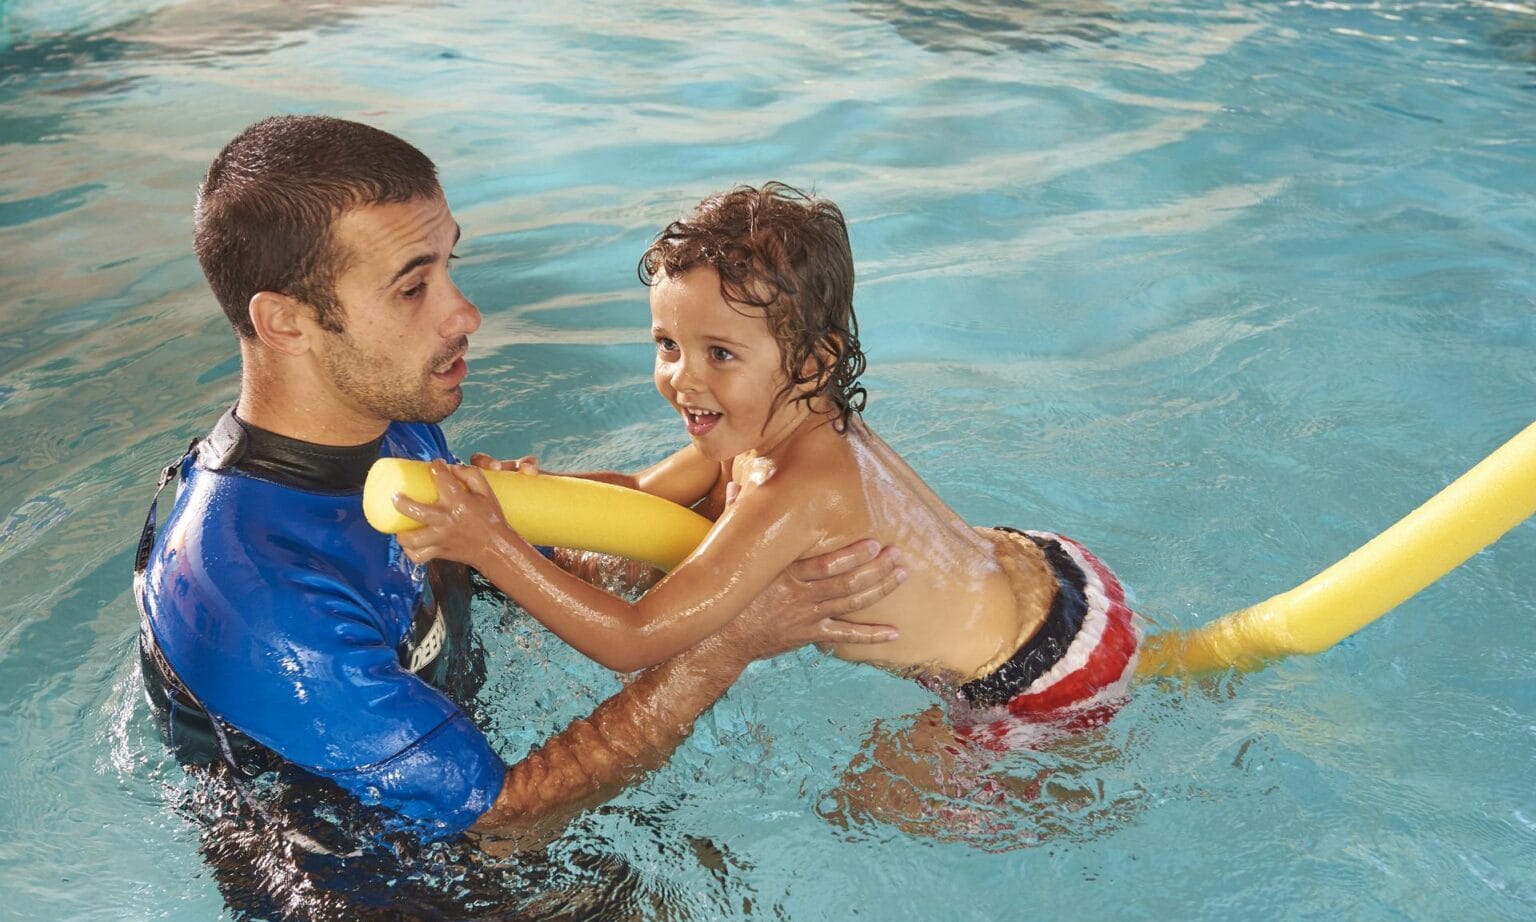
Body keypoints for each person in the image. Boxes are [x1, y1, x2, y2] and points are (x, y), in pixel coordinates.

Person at [134, 118, 906, 848]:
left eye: (449, 267)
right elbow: (503, 822)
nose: (465, 313)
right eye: (413, 288)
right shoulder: (268, 599)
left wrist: (718, 531)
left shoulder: (383, 424)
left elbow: (510, 551)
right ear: (286, 323)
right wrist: (732, 640)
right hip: (379, 884)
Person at [392, 182, 1140, 758]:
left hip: (1035, 678)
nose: (684, 380)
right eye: (667, 346)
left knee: (862, 809)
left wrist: (490, 546)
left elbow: (635, 638)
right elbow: (644, 497)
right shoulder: (777, 425)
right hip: (1054, 573)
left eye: (720, 354)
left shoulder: (795, 489)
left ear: (815, 361)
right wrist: (527, 498)